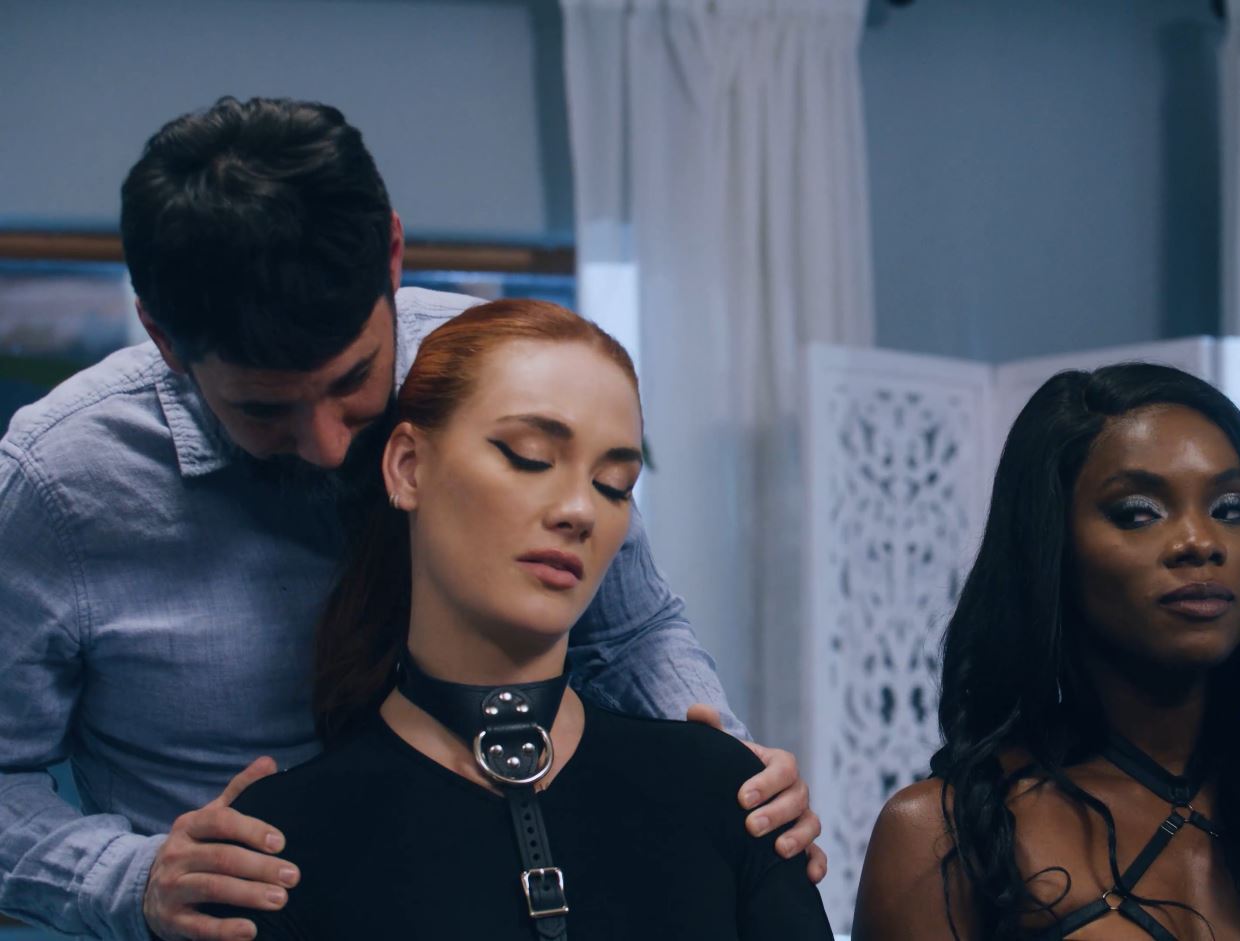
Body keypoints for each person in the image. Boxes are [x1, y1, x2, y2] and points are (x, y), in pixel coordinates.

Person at [0, 97, 820, 941]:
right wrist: (134, 878)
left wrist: (738, 782)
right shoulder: (60, 482)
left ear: (392, 255)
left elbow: (630, 629)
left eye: (353, 380)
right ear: (164, 338)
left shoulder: (493, 376)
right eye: (265, 409)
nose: (327, 445)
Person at [208, 298, 833, 940]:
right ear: (408, 466)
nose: (579, 510)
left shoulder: (730, 795)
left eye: (614, 485)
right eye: (529, 456)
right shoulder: (271, 850)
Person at [851, 364, 1240, 940]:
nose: (1200, 543)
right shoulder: (943, 837)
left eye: (1231, 509)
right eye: (1139, 513)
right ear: (1050, 547)